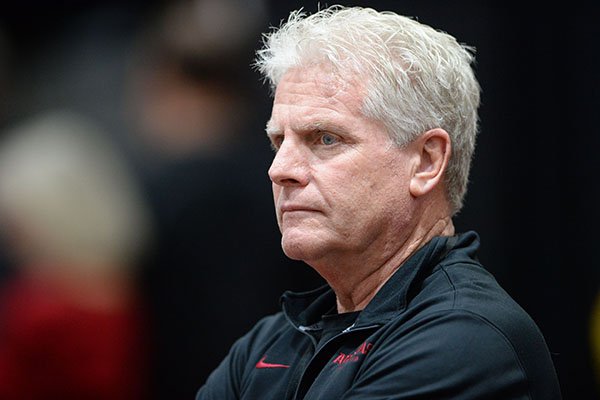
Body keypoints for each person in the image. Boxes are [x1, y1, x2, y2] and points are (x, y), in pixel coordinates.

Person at [196, 5, 562, 399]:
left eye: (325, 138)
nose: (279, 169)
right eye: (278, 141)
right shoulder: (266, 344)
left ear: (426, 162)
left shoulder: (466, 338)